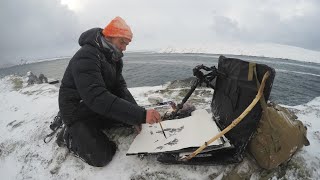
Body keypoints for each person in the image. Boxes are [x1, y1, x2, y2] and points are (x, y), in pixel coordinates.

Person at [58, 16, 161, 167]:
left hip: (96, 107)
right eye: (122, 42)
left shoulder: (115, 58)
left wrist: (137, 117)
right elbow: (96, 96)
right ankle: (68, 136)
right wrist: (142, 115)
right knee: (102, 157)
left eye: (127, 44)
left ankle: (95, 126)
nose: (124, 48)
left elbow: (120, 88)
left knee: (127, 121)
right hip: (76, 111)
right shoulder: (86, 56)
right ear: (110, 37)